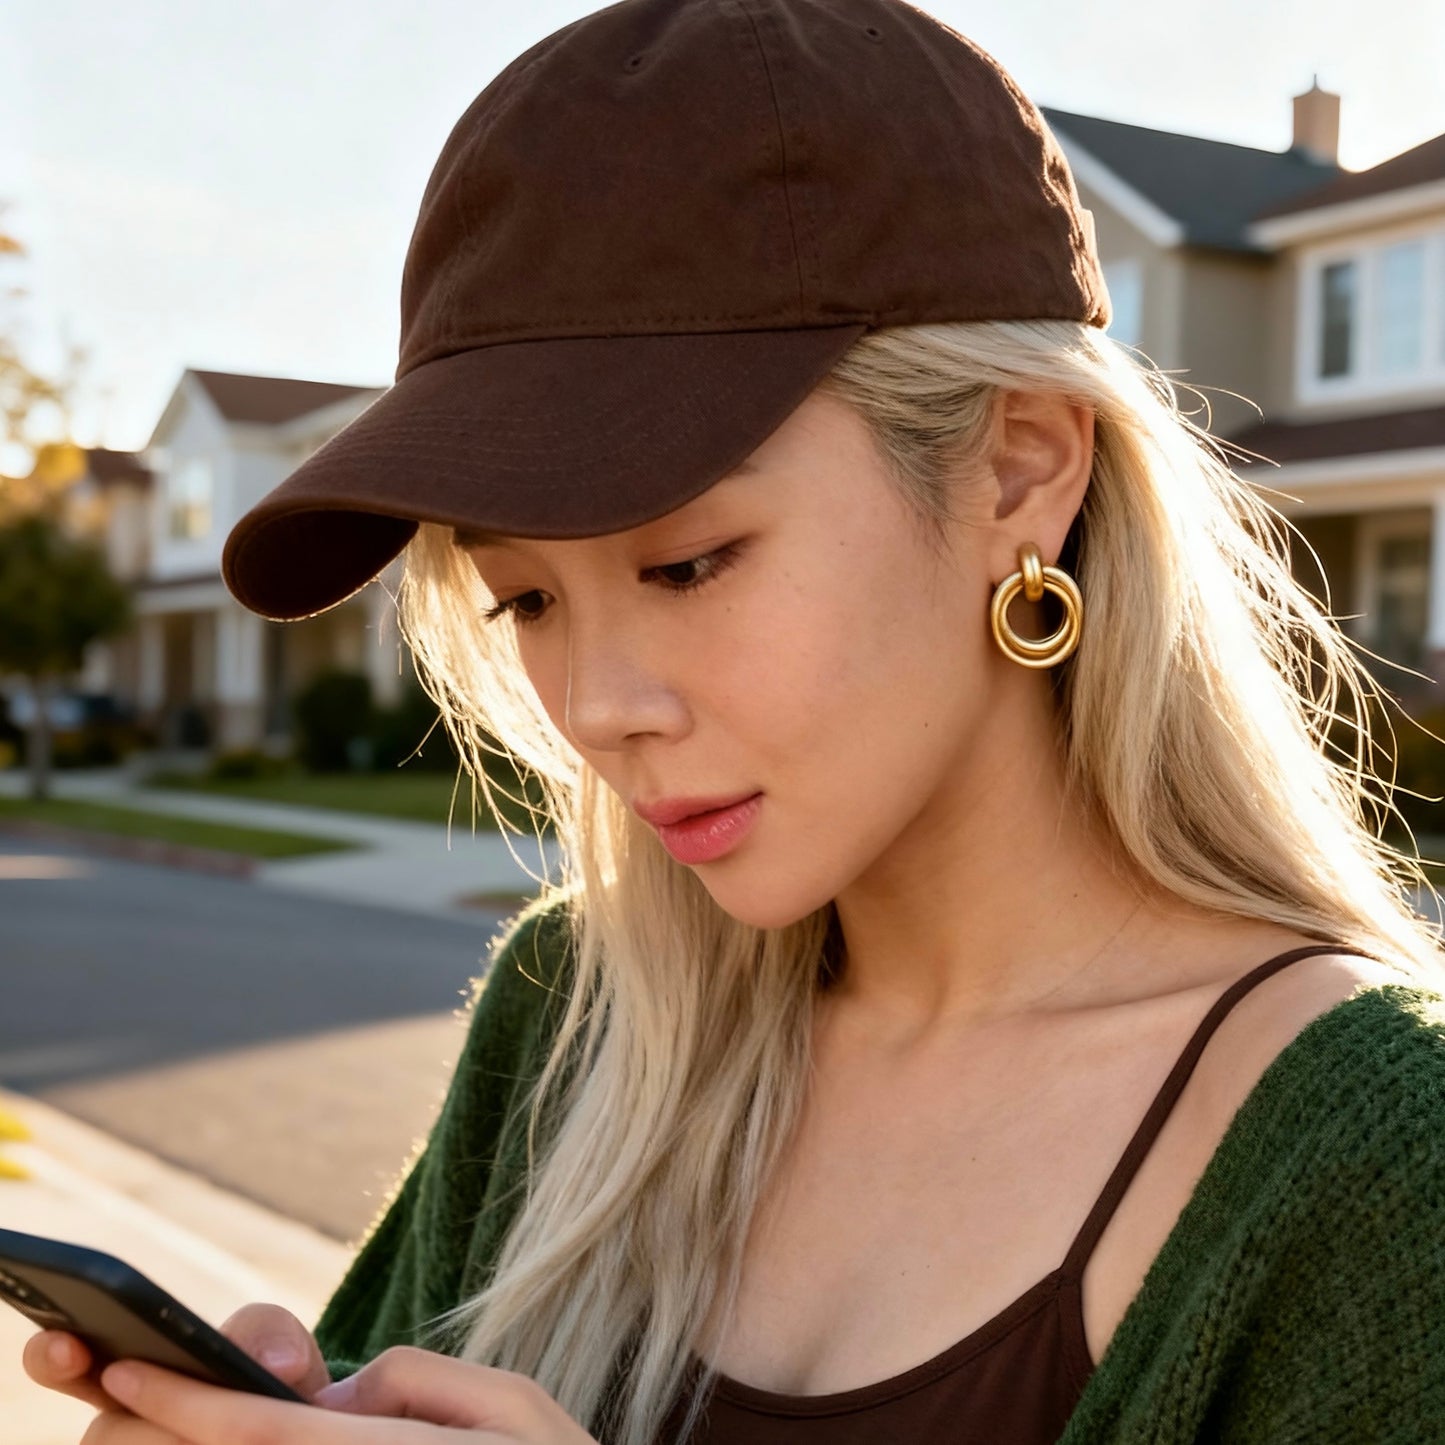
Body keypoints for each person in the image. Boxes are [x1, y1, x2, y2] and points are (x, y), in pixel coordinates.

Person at [25, 0, 1445, 1441]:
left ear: (1019, 468)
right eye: (524, 601)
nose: (594, 709)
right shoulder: (569, 1018)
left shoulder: (1379, 1154)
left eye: (686, 564)